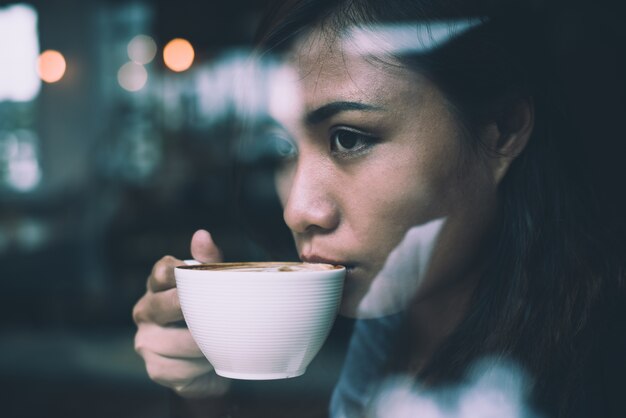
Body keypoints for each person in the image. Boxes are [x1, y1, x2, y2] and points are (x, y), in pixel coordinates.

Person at [132, 0, 626, 417]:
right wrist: (206, 396)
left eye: (349, 138)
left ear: (502, 130)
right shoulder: (388, 325)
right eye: (281, 150)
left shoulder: (597, 368)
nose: (299, 210)